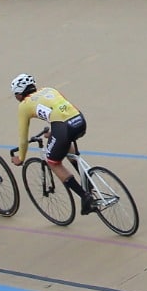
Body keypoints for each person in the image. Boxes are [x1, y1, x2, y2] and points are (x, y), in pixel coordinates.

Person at [10, 74, 96, 213]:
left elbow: (22, 137)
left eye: (15, 95)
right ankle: (89, 182)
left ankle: (85, 197)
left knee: (53, 162)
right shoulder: (49, 89)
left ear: (19, 94)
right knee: (65, 145)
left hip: (63, 128)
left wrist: (21, 158)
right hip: (79, 120)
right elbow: (62, 110)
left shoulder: (24, 105)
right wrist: (54, 133)